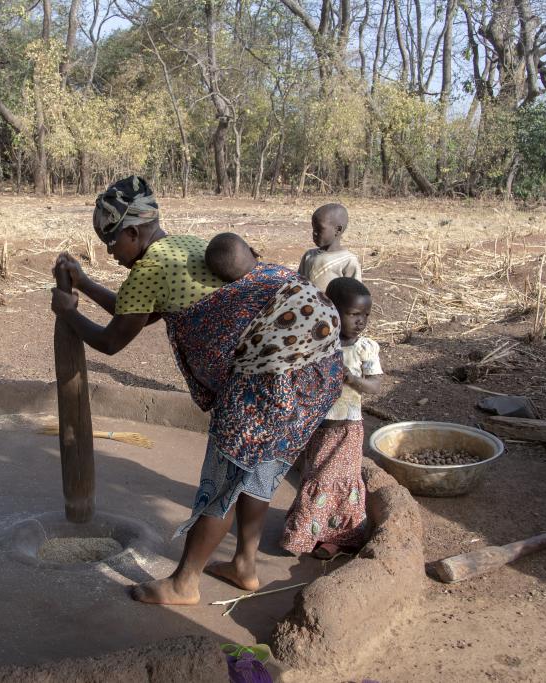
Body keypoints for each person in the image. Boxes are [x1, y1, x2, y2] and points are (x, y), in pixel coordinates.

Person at [51, 176, 344, 605]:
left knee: (225, 474)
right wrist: (84, 285)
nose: (112, 256)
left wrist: (69, 312)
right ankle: (244, 565)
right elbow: (136, 310)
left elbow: (113, 341)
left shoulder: (150, 270)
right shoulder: (184, 246)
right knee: (261, 467)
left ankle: (184, 583)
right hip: (320, 359)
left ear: (133, 232)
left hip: (273, 376)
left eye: (112, 243)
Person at [280, 277, 382, 559]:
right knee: (314, 477)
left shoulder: (365, 349)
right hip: (318, 426)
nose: (361, 321)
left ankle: (331, 538)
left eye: (365, 315)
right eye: (354, 314)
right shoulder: (319, 342)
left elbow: (376, 385)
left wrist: (352, 379)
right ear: (332, 311)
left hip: (347, 428)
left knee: (332, 481)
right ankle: (315, 531)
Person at [297, 203, 362, 291]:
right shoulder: (309, 256)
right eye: (313, 228)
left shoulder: (348, 262)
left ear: (338, 230)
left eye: (319, 229)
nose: (314, 233)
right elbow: (298, 284)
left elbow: (355, 294)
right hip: (307, 304)